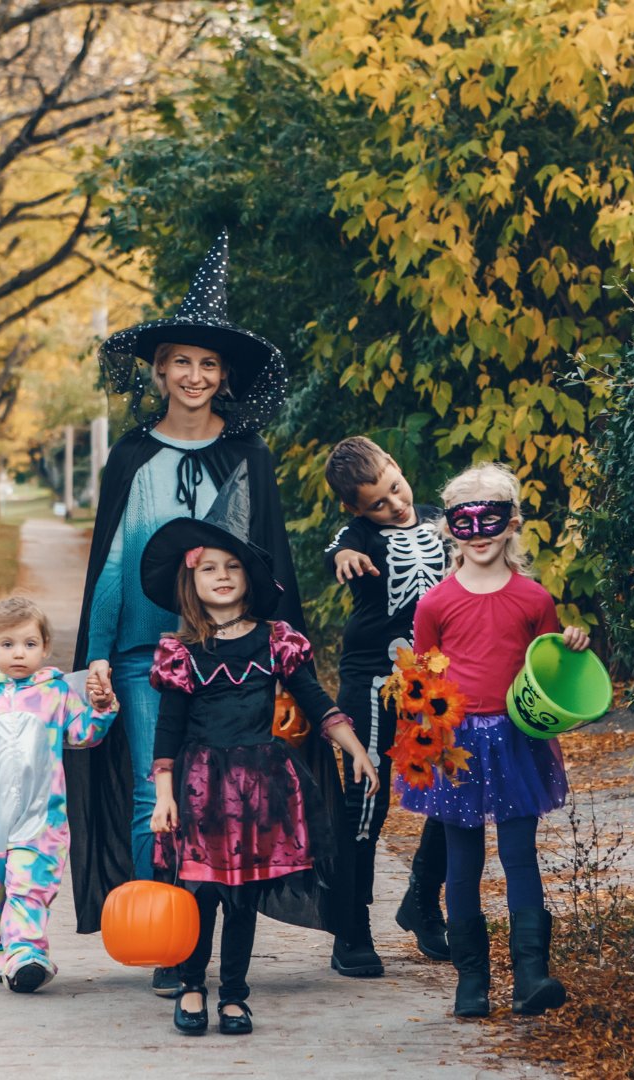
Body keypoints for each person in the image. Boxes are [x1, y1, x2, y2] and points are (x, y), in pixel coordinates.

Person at [66, 232, 311, 999]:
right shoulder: (133, 455)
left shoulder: (250, 456)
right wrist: (98, 651)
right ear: (160, 370)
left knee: (227, 799)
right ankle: (169, 942)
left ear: (223, 375)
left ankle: (221, 951)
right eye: (181, 361)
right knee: (154, 792)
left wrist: (282, 654)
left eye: (209, 364)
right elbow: (110, 560)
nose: (195, 375)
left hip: (230, 652)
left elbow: (268, 560)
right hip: (145, 646)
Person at [136, 464, 378, 1035]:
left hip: (257, 786)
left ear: (249, 577)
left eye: (233, 567)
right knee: (200, 891)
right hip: (198, 784)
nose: (221, 576)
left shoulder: (275, 641)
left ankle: (235, 994)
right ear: (190, 581)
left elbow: (315, 701)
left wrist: (356, 748)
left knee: (241, 895)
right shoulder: (182, 651)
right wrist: (163, 796)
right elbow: (167, 731)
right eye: (210, 568)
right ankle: (193, 984)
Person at [398, 462, 590, 1018]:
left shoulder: (534, 600)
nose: (479, 532)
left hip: (515, 742)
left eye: (491, 519)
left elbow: (547, 671)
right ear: (450, 528)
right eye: (465, 520)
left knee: (518, 855)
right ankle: (471, 981)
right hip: (456, 744)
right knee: (462, 863)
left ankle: (531, 974)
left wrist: (572, 641)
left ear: (512, 525)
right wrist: (425, 744)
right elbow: (423, 680)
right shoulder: (435, 603)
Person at [0, 597, 118, 993]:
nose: (19, 653)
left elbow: (82, 735)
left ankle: (27, 955)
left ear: (45, 648)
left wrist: (100, 709)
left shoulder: (55, 695)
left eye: (30, 644)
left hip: (41, 818)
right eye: (8, 644)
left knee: (29, 885)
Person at [322, 436, 451, 976]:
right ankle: (351, 926)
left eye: (395, 488)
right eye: (378, 502)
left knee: (454, 794)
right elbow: (339, 549)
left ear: (400, 467)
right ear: (357, 509)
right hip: (373, 680)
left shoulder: (440, 520)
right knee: (366, 799)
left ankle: (422, 902)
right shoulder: (357, 536)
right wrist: (346, 554)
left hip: (438, 680)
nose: (395, 505)